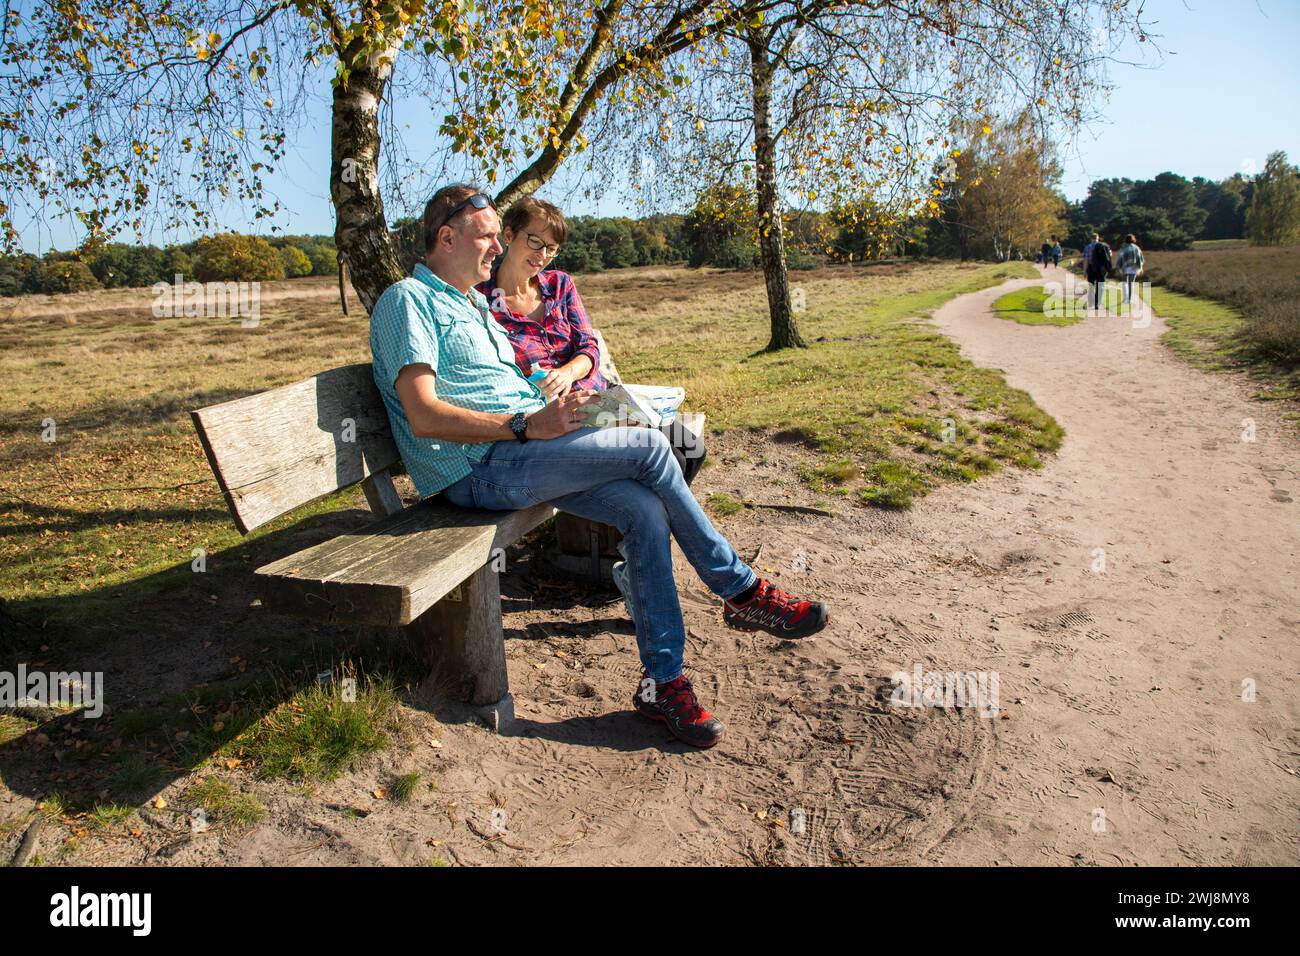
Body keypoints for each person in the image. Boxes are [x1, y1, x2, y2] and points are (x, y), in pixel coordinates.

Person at [368, 184, 830, 749]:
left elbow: (507, 384)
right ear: (447, 237)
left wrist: (553, 402)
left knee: (641, 509)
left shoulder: (468, 303)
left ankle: (664, 684)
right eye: (489, 235)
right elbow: (422, 414)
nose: (495, 248)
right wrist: (523, 425)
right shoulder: (407, 299)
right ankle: (741, 590)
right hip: (476, 467)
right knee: (652, 449)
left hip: (524, 451)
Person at [476, 195, 705, 485]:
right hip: (559, 418)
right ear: (508, 234)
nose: (542, 255)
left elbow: (587, 346)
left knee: (691, 448)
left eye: (552, 248)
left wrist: (567, 372)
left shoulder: (560, 284)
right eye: (535, 241)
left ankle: (655, 518)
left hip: (603, 398)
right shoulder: (481, 300)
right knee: (668, 457)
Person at [1083, 232, 1112, 311]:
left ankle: (1091, 302)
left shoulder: (1087, 247)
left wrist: (1084, 271)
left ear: (1091, 238)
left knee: (1091, 286)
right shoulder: (1105, 246)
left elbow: (1085, 260)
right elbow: (1109, 256)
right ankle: (1097, 303)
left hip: (1091, 268)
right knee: (1101, 286)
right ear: (1098, 238)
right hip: (1101, 269)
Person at [1114, 234, 1144, 305]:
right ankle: (1130, 300)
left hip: (1125, 268)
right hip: (1134, 268)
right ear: (1133, 240)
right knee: (1131, 283)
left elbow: (1120, 258)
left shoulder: (1123, 248)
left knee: (1124, 283)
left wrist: (1118, 267)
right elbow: (1140, 258)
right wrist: (1140, 267)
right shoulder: (1136, 248)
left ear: (1126, 240)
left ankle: (1125, 299)